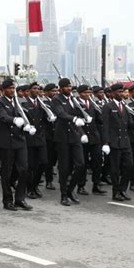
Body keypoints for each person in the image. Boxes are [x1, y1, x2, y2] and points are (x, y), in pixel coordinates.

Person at [0, 79, 34, 211]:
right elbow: (3, 117)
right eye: (9, 88)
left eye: (13, 88)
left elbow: (25, 115)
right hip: (7, 141)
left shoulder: (17, 102)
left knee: (24, 170)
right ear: (3, 89)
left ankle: (20, 199)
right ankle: (7, 200)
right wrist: (14, 120)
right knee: (6, 172)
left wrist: (27, 125)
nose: (12, 90)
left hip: (20, 140)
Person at [51, 78, 87, 206]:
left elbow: (80, 113)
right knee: (64, 168)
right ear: (61, 88)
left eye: (70, 86)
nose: (69, 88)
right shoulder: (56, 99)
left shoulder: (73, 99)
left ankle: (71, 189)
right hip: (63, 138)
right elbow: (61, 113)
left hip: (75, 136)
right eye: (66, 87)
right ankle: (64, 195)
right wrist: (74, 119)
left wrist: (83, 125)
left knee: (81, 164)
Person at [102, 83, 134, 201]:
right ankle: (116, 192)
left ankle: (123, 189)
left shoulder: (124, 106)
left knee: (129, 166)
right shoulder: (108, 107)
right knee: (115, 170)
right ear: (113, 93)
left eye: (122, 92)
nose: (121, 94)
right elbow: (105, 126)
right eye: (119, 92)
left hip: (125, 142)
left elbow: (129, 123)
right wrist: (105, 142)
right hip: (114, 142)